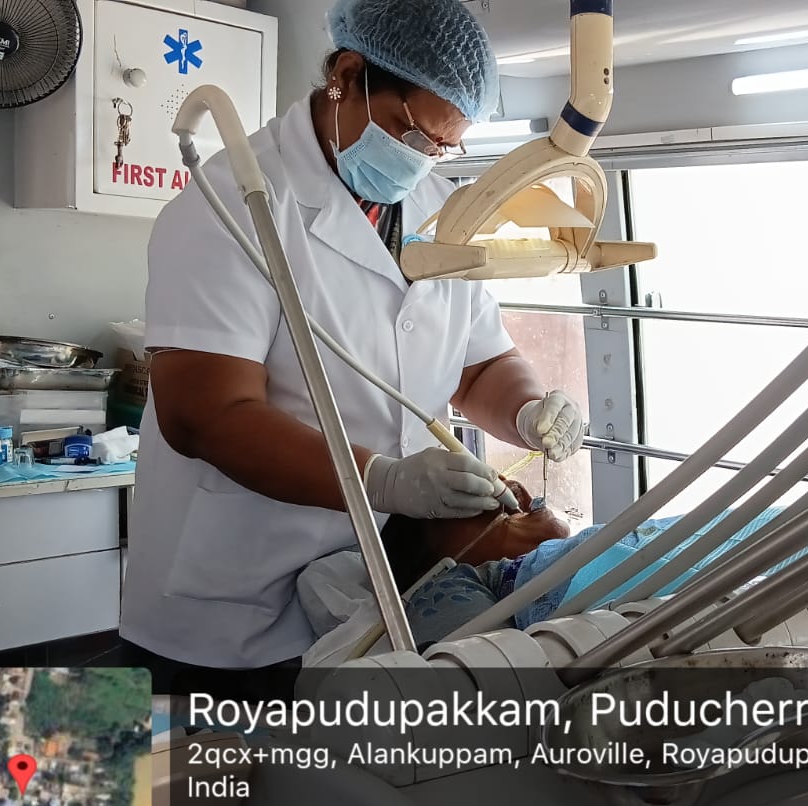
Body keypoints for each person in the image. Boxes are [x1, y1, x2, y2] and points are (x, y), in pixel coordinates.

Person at [121, 0, 587, 681]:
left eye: (443, 145)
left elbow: (480, 363)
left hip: (372, 585)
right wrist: (383, 480)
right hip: (233, 599)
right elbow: (204, 415)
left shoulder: (439, 211)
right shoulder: (229, 205)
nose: (421, 157)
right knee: (207, 754)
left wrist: (528, 410)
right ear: (345, 76)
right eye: (407, 131)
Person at [374, 487, 808, 651]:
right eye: (480, 505)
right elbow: (451, 671)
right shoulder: (463, 588)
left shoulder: (597, 542)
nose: (513, 493)